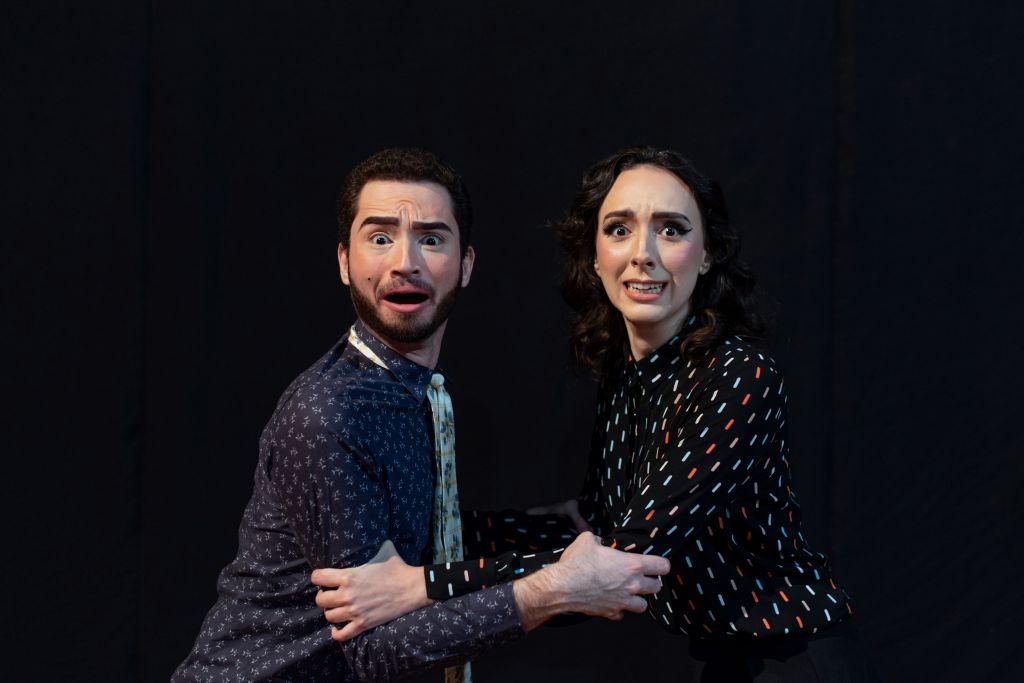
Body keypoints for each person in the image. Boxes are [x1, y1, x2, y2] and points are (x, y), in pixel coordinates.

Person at [314, 147, 880, 681]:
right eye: (619, 229)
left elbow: (624, 559)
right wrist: (427, 530)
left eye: (672, 229)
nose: (643, 254)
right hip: (724, 662)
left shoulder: (738, 377)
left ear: (707, 254)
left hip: (798, 660)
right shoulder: (629, 371)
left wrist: (422, 584)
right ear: (594, 255)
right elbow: (591, 525)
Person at [172, 148, 670, 682]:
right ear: (344, 262)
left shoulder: (412, 391)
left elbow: (416, 542)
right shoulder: (330, 415)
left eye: (431, 239)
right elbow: (376, 648)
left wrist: (541, 530)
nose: (404, 262)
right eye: (380, 238)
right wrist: (552, 591)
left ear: (466, 265)